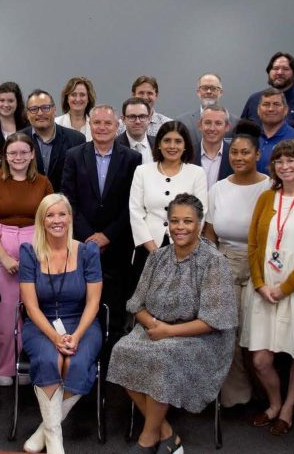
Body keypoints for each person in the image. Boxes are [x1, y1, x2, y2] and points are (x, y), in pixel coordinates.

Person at [108, 193, 237, 453]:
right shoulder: (157, 257)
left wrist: (169, 332)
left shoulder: (214, 262)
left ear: (200, 223)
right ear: (167, 223)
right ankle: (166, 432)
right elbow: (136, 304)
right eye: (175, 221)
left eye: (188, 221)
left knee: (162, 359)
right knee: (122, 351)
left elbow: (214, 320)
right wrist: (155, 325)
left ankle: (146, 440)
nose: (180, 227)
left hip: (200, 338)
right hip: (155, 329)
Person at [241, 140, 294, 437]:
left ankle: (288, 408)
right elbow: (253, 244)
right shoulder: (267, 198)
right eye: (279, 161)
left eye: (291, 160)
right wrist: (260, 283)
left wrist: (286, 287)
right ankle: (274, 403)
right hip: (265, 287)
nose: (285, 166)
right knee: (261, 359)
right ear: (273, 167)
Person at [18, 194, 103, 454]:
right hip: (41, 322)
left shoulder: (88, 251)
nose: (57, 220)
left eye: (62, 214)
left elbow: (93, 303)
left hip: (82, 322)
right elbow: (30, 306)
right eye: (50, 215)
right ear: (41, 221)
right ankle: (55, 438)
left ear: (70, 217)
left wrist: (75, 335)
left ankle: (45, 429)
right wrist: (55, 338)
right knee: (48, 359)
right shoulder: (29, 252)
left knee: (75, 362)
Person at [0, 132, 54, 385]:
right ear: (5, 156)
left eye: (23, 152)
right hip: (2, 247)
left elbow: (52, 220)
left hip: (37, 246)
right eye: (12, 153)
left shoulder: (43, 183)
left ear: (32, 154)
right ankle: (5, 367)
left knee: (35, 310)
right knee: (6, 312)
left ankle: (29, 364)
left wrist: (40, 254)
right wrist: (3, 257)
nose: (18, 157)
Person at [63, 105, 143, 343]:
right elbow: (69, 201)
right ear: (90, 125)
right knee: (82, 304)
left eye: (108, 123)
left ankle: (110, 367)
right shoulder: (74, 155)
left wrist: (107, 235)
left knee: (114, 309)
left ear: (117, 125)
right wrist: (89, 236)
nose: (102, 128)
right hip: (81, 244)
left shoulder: (132, 158)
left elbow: (133, 203)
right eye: (97, 123)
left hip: (117, 246)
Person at [201, 133, 270, 408]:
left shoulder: (269, 188)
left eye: (245, 152)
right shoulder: (219, 188)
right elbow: (209, 233)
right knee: (227, 331)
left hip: (261, 265)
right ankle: (235, 397)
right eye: (234, 153)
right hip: (225, 262)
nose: (239, 158)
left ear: (257, 155)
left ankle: (265, 394)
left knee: (254, 333)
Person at [128, 120, 208, 296]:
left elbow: (201, 213)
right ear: (159, 145)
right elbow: (135, 211)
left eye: (178, 141)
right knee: (145, 300)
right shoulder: (142, 171)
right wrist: (153, 250)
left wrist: (183, 247)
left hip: (185, 248)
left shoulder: (196, 173)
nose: (172, 146)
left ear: (185, 145)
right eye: (167, 140)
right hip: (148, 247)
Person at [19, 89, 86, 191]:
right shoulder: (17, 141)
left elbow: (81, 181)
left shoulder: (76, 140)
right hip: (28, 204)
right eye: (34, 109)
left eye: (45, 108)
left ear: (54, 110)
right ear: (27, 114)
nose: (40, 113)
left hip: (65, 203)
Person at [240, 52, 294, 128]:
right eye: (275, 68)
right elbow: (241, 131)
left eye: (285, 69)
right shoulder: (254, 99)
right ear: (269, 72)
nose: (280, 72)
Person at [175, 72, 240, 142]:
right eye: (204, 88)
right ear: (198, 92)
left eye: (213, 88)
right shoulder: (183, 122)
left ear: (221, 92)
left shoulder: (236, 123)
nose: (209, 91)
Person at [256, 88, 294, 174]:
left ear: (286, 110)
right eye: (266, 104)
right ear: (258, 110)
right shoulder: (251, 136)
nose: (271, 109)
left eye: (276, 104)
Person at [192, 106, 233, 189]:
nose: (212, 128)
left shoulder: (234, 156)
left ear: (227, 127)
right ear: (199, 125)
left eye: (218, 123)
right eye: (207, 123)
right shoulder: (187, 155)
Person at [0, 81, 29, 151]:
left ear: (18, 102)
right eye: (2, 100)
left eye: (10, 101)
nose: (6, 105)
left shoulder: (27, 124)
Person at [115, 97, 157, 165]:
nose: (137, 121)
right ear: (123, 120)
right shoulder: (113, 147)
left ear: (149, 119)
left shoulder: (159, 144)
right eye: (132, 117)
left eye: (142, 116)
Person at [54, 76, 95, 141]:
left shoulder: (96, 125)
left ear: (88, 99)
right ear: (67, 98)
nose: (78, 99)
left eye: (82, 95)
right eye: (73, 95)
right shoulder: (55, 124)